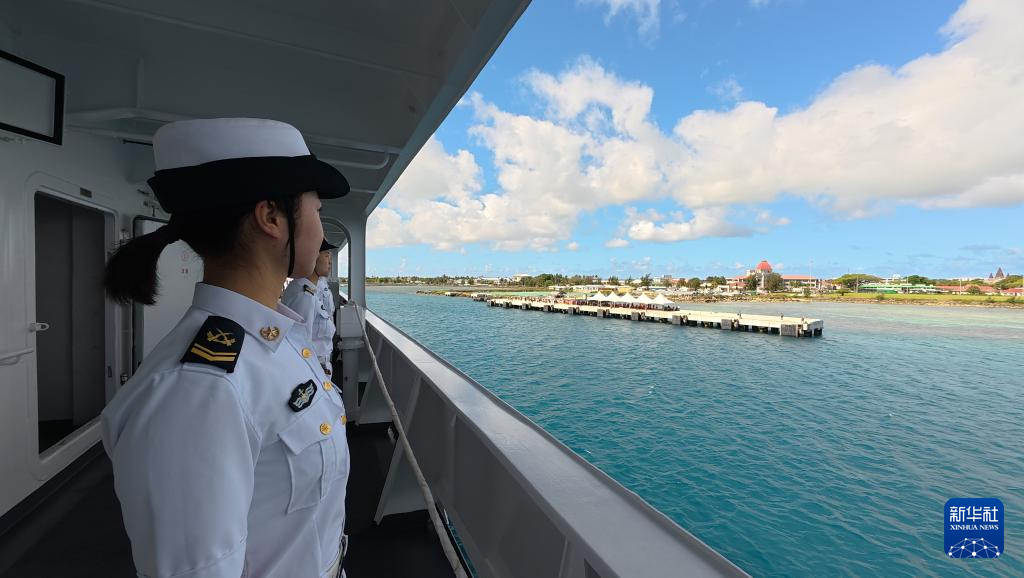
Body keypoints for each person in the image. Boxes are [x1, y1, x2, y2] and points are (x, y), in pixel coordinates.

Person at [101, 118, 351, 578]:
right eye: (316, 211)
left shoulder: (275, 343)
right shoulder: (199, 390)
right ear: (271, 217)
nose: (321, 232)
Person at [282, 238, 338, 376]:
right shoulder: (304, 296)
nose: (330, 261)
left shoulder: (308, 289)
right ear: (313, 257)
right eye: (326, 255)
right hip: (313, 369)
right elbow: (300, 344)